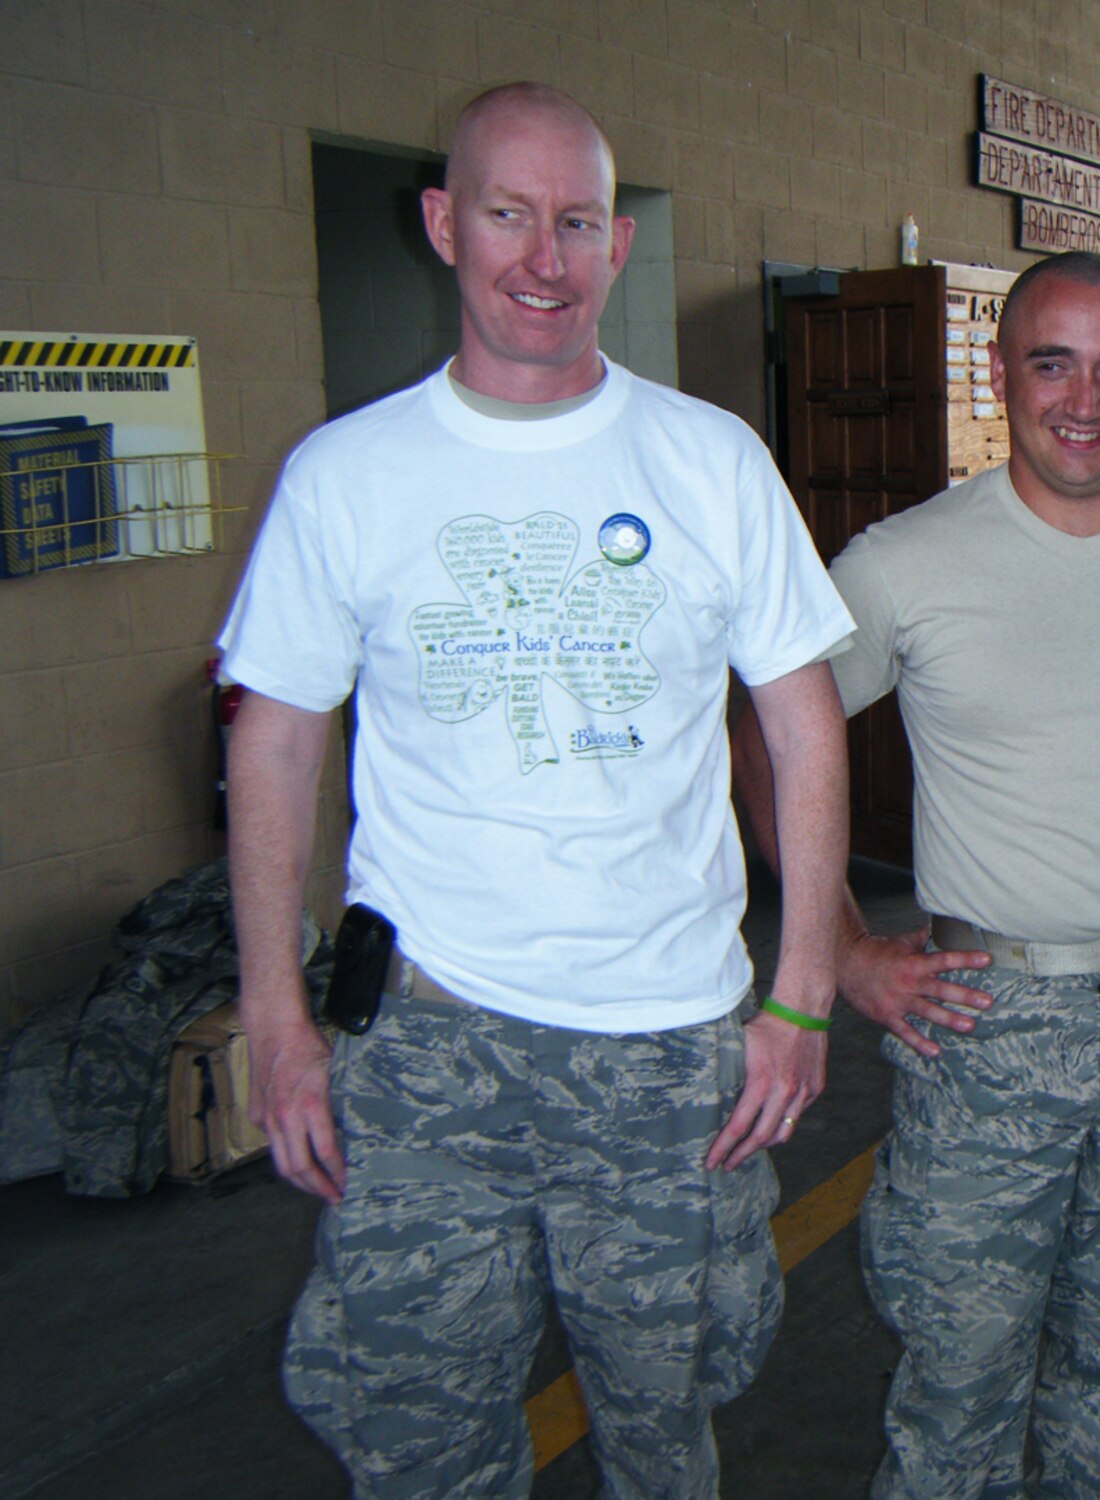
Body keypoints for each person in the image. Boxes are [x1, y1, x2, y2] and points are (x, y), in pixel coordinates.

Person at [219, 82, 853, 1499]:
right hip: (429, 1045)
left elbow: (803, 728)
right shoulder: (348, 477)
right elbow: (274, 742)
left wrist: (801, 992)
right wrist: (274, 1011)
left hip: (666, 1048)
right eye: (508, 214)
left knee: (666, 1417)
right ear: (446, 224)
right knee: (416, 1430)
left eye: (575, 222)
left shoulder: (710, 463)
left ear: (617, 246)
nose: (542, 259)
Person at [736, 251, 1100, 1497]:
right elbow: (771, 741)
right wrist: (840, 950)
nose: (1082, 399)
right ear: (999, 375)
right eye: (1052, 361)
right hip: (986, 1024)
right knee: (958, 1377)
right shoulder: (904, 563)